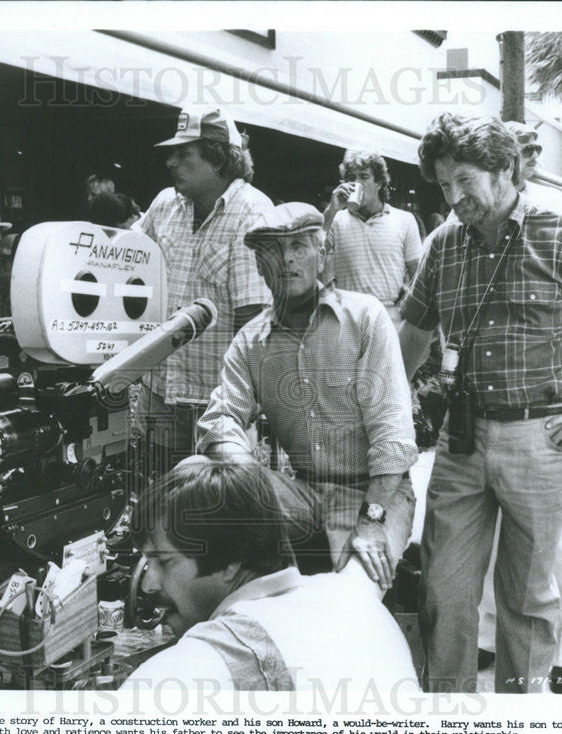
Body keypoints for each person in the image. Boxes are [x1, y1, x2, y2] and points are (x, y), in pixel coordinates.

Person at [397, 113, 562, 693]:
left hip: (544, 439)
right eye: (443, 185)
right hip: (460, 443)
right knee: (444, 589)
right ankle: (450, 725)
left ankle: (520, 723)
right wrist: (386, 406)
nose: (454, 197)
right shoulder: (443, 245)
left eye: (465, 180)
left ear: (506, 170)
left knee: (527, 597)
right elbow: (412, 334)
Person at [196, 202, 417, 593]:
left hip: (376, 493)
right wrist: (248, 475)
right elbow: (219, 419)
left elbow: (393, 437)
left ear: (322, 254)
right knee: (253, 589)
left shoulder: (365, 317)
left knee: (350, 596)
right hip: (301, 495)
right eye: (272, 250)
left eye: (299, 246)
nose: (286, 260)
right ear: (259, 266)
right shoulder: (251, 342)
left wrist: (371, 521)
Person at [120, 458, 419, 691]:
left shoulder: (210, 657)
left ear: (230, 561)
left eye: (163, 561)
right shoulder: (355, 599)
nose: (147, 584)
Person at [135, 106, 273, 477]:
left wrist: (241, 406)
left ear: (217, 159)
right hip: (159, 389)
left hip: (215, 402)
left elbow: (255, 323)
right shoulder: (165, 204)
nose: (170, 161)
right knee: (153, 493)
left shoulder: (252, 213)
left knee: (212, 508)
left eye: (183, 153)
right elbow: (124, 262)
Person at [322, 150, 423, 327]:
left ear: (379, 182)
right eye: (351, 178)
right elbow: (315, 258)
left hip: (389, 316)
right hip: (348, 317)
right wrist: (331, 210)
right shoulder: (337, 220)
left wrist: (404, 311)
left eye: (364, 176)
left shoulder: (404, 220)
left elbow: (418, 275)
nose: (356, 183)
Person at [504, 121, 562, 213]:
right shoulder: (489, 199)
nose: (535, 156)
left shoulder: (552, 198)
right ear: (508, 154)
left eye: (537, 149)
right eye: (528, 150)